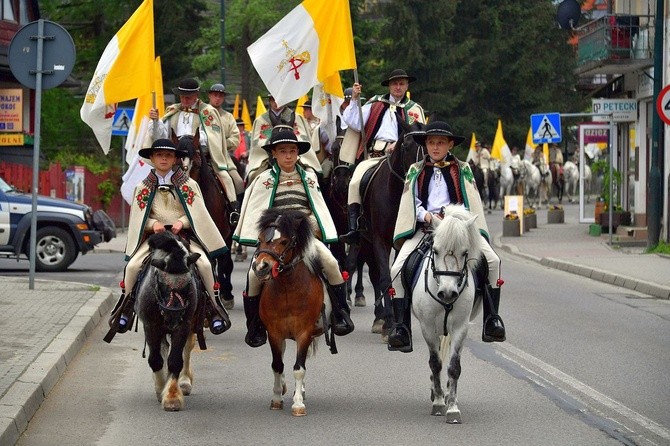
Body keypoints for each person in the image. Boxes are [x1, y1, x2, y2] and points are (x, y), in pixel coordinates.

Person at [387, 121, 506, 353]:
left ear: (450, 144)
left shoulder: (463, 169)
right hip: (427, 228)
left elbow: (471, 202)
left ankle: (492, 319)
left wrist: (455, 219)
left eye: (440, 142)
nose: (435, 147)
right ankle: (401, 327)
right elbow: (412, 203)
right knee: (396, 269)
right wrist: (426, 216)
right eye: (431, 142)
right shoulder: (415, 170)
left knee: (493, 261)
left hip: (459, 228)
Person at [233, 125, 355, 347]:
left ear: (298, 153)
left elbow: (317, 208)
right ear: (274, 153)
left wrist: (310, 227)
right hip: (275, 239)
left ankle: (341, 314)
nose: (288, 155)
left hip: (305, 236)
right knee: (253, 276)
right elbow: (259, 214)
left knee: (330, 262)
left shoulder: (309, 177)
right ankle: (255, 326)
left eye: (292, 151)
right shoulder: (263, 180)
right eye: (282, 151)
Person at [107, 139, 231, 338]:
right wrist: (152, 224)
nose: (164, 158)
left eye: (168, 155)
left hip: (183, 237)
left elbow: (197, 213)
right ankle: (127, 306)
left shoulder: (189, 185)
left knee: (206, 265)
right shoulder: (142, 187)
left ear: (175, 159)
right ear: (152, 159)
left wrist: (182, 222)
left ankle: (212, 307)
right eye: (159, 155)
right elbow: (139, 218)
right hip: (156, 239)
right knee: (132, 267)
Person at [338, 69, 426, 244]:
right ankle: (355, 226)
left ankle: (423, 220)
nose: (398, 87)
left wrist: (399, 144)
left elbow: (419, 134)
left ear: (407, 85)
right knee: (356, 180)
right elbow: (354, 122)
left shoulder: (414, 109)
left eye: (402, 83)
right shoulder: (375, 103)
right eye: (395, 83)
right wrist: (354, 99)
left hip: (403, 157)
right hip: (375, 156)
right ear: (389, 85)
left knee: (421, 180)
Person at [148, 78, 240, 225]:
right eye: (182, 95)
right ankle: (149, 214)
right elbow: (160, 136)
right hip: (176, 159)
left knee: (227, 178)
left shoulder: (208, 112)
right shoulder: (172, 110)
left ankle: (233, 212)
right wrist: (155, 121)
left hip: (202, 157)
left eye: (188, 96)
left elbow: (211, 137)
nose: (184, 99)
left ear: (196, 94)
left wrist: (190, 142)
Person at [246, 94, 322, 183]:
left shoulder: (297, 117)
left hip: (296, 157)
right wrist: (273, 143)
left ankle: (316, 194)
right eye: (273, 99)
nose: (276, 102)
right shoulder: (260, 120)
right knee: (253, 177)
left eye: (279, 98)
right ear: (269, 101)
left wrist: (288, 143)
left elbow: (303, 138)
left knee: (312, 174)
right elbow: (257, 143)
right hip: (267, 158)